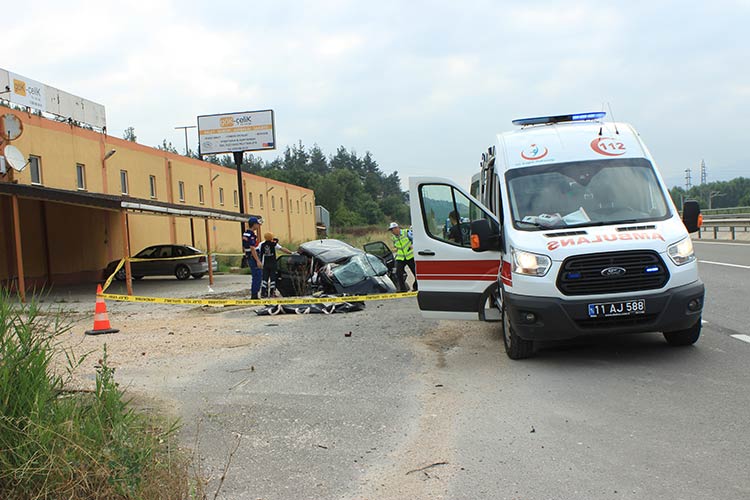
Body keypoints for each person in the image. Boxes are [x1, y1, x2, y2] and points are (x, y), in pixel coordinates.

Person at [258, 232, 292, 298]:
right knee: (273, 279)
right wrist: (291, 253)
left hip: (265, 264)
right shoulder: (273, 244)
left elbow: (258, 252)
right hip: (273, 264)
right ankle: (272, 293)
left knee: (264, 279)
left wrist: (259, 262)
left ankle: (263, 293)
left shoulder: (262, 244)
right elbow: (282, 249)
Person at [388, 222, 418, 292]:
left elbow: (415, 239)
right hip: (401, 257)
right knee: (398, 272)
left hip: (410, 256)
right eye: (391, 230)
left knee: (416, 272)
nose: (392, 232)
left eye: (392, 230)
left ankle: (416, 286)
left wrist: (413, 245)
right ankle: (403, 289)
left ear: (396, 228)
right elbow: (396, 246)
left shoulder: (406, 232)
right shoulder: (393, 238)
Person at [242, 217, 263, 299]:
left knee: (255, 275)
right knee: (257, 275)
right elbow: (252, 248)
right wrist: (258, 260)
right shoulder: (251, 235)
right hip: (253, 256)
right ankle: (254, 295)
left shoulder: (245, 234)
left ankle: (254, 294)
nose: (258, 225)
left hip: (249, 256)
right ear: (254, 224)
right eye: (257, 224)